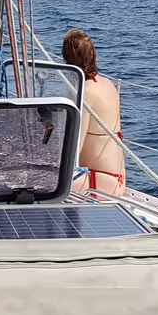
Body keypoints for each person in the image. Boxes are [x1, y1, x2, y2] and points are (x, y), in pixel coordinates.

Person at [62, 27, 125, 194]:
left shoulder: (84, 91)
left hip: (97, 182)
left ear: (66, 60)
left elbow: (75, 147)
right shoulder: (107, 84)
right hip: (116, 180)